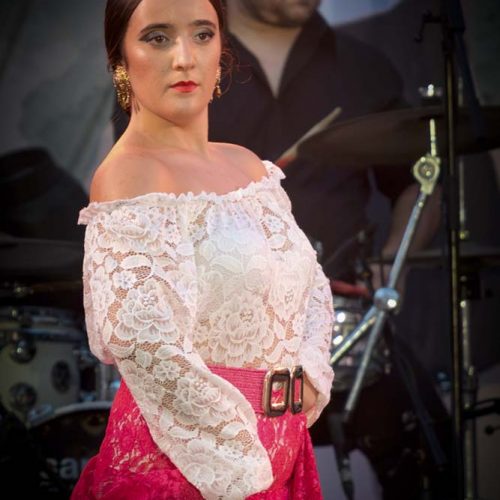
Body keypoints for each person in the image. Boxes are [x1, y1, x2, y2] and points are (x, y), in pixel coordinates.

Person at [71, 0, 334, 499]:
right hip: (186, 467)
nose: (184, 58)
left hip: (281, 453)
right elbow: (147, 346)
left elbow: (312, 288)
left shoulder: (248, 166)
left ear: (221, 52)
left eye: (202, 34)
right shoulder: (131, 176)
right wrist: (242, 461)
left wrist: (308, 382)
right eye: (158, 38)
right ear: (120, 59)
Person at [205, 1, 452, 499]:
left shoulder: (364, 66)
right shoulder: (185, 65)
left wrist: (392, 259)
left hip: (343, 321)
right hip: (219, 329)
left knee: (435, 453)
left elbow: (418, 184)